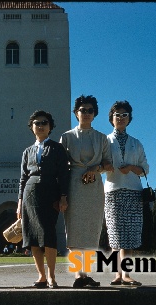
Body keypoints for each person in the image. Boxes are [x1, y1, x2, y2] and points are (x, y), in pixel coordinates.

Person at [59, 95, 113, 288]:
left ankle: (86, 274)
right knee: (74, 230)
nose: (86, 113)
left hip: (94, 187)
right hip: (73, 186)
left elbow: (109, 163)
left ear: (95, 114)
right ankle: (78, 276)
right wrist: (62, 195)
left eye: (90, 110)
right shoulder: (66, 137)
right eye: (83, 110)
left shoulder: (102, 138)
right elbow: (60, 168)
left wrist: (95, 169)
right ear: (76, 113)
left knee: (91, 230)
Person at [17, 110, 70, 289]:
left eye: (44, 122)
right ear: (32, 127)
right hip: (29, 195)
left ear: (50, 127)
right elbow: (23, 178)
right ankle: (40, 276)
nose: (40, 126)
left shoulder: (57, 148)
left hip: (50, 194)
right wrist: (19, 203)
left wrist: (63, 196)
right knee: (32, 236)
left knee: (48, 234)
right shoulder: (27, 151)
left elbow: (64, 174)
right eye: (37, 123)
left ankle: (51, 276)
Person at [104, 100, 149, 287]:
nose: (120, 118)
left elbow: (145, 169)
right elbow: (102, 164)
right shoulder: (105, 141)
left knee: (129, 236)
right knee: (115, 235)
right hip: (113, 191)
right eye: (117, 115)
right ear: (111, 118)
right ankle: (117, 274)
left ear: (129, 119)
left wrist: (131, 167)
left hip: (133, 192)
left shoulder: (136, 143)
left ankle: (127, 274)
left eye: (124, 115)